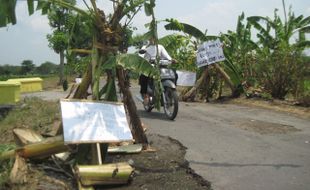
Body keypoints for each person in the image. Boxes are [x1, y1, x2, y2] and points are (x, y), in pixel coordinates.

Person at [139, 38, 174, 105]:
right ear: (149, 39)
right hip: (148, 67)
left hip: (159, 67)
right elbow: (141, 56)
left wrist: (171, 59)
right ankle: (146, 96)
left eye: (154, 38)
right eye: (151, 38)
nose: (153, 40)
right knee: (144, 77)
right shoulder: (146, 47)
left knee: (174, 74)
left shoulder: (160, 47)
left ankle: (170, 91)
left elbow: (166, 55)